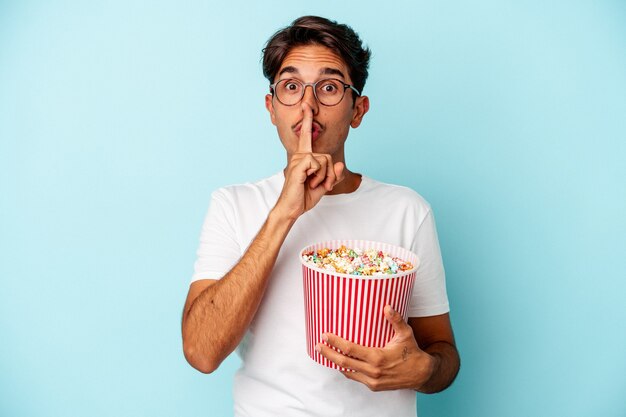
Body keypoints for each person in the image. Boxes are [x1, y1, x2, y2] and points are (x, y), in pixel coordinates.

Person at [181, 15, 460, 417]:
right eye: (291, 87)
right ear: (271, 107)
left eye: (329, 88)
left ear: (358, 109)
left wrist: (423, 369)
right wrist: (284, 214)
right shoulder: (233, 205)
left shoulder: (407, 210)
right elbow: (201, 352)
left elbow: (444, 356)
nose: (308, 106)